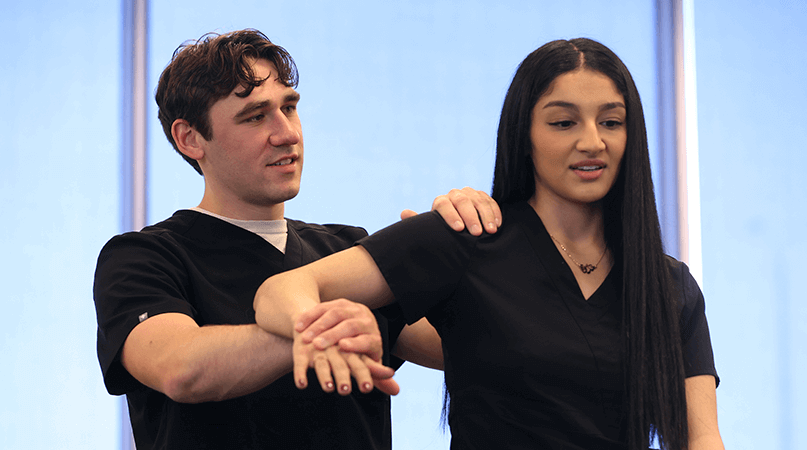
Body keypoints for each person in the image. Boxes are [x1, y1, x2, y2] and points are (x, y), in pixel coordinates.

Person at [254, 38, 724, 449]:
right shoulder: (464, 238)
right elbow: (280, 290)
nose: (592, 142)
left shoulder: (669, 287)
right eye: (563, 123)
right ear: (525, 136)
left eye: (611, 122)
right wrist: (316, 334)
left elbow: (702, 438)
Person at [93, 29, 502, 450]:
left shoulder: (346, 250)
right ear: (190, 138)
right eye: (255, 116)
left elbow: (480, 351)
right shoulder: (143, 258)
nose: (286, 132)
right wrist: (331, 331)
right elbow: (181, 368)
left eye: (289, 107)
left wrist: (463, 252)